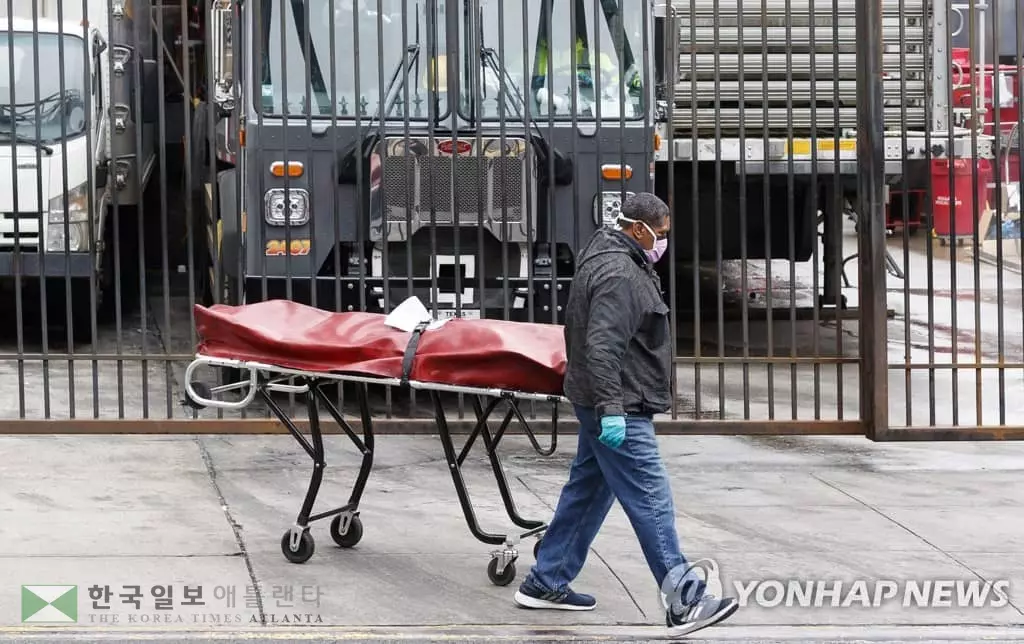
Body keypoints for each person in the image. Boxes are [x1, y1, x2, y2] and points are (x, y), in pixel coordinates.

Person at [512, 192, 739, 637]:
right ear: (640, 229)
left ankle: (547, 580)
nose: (663, 243)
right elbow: (602, 347)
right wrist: (612, 410)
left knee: (589, 492)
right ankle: (684, 600)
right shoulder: (620, 274)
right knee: (651, 499)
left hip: (603, 398)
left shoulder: (609, 256)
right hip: (620, 403)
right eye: (663, 234)